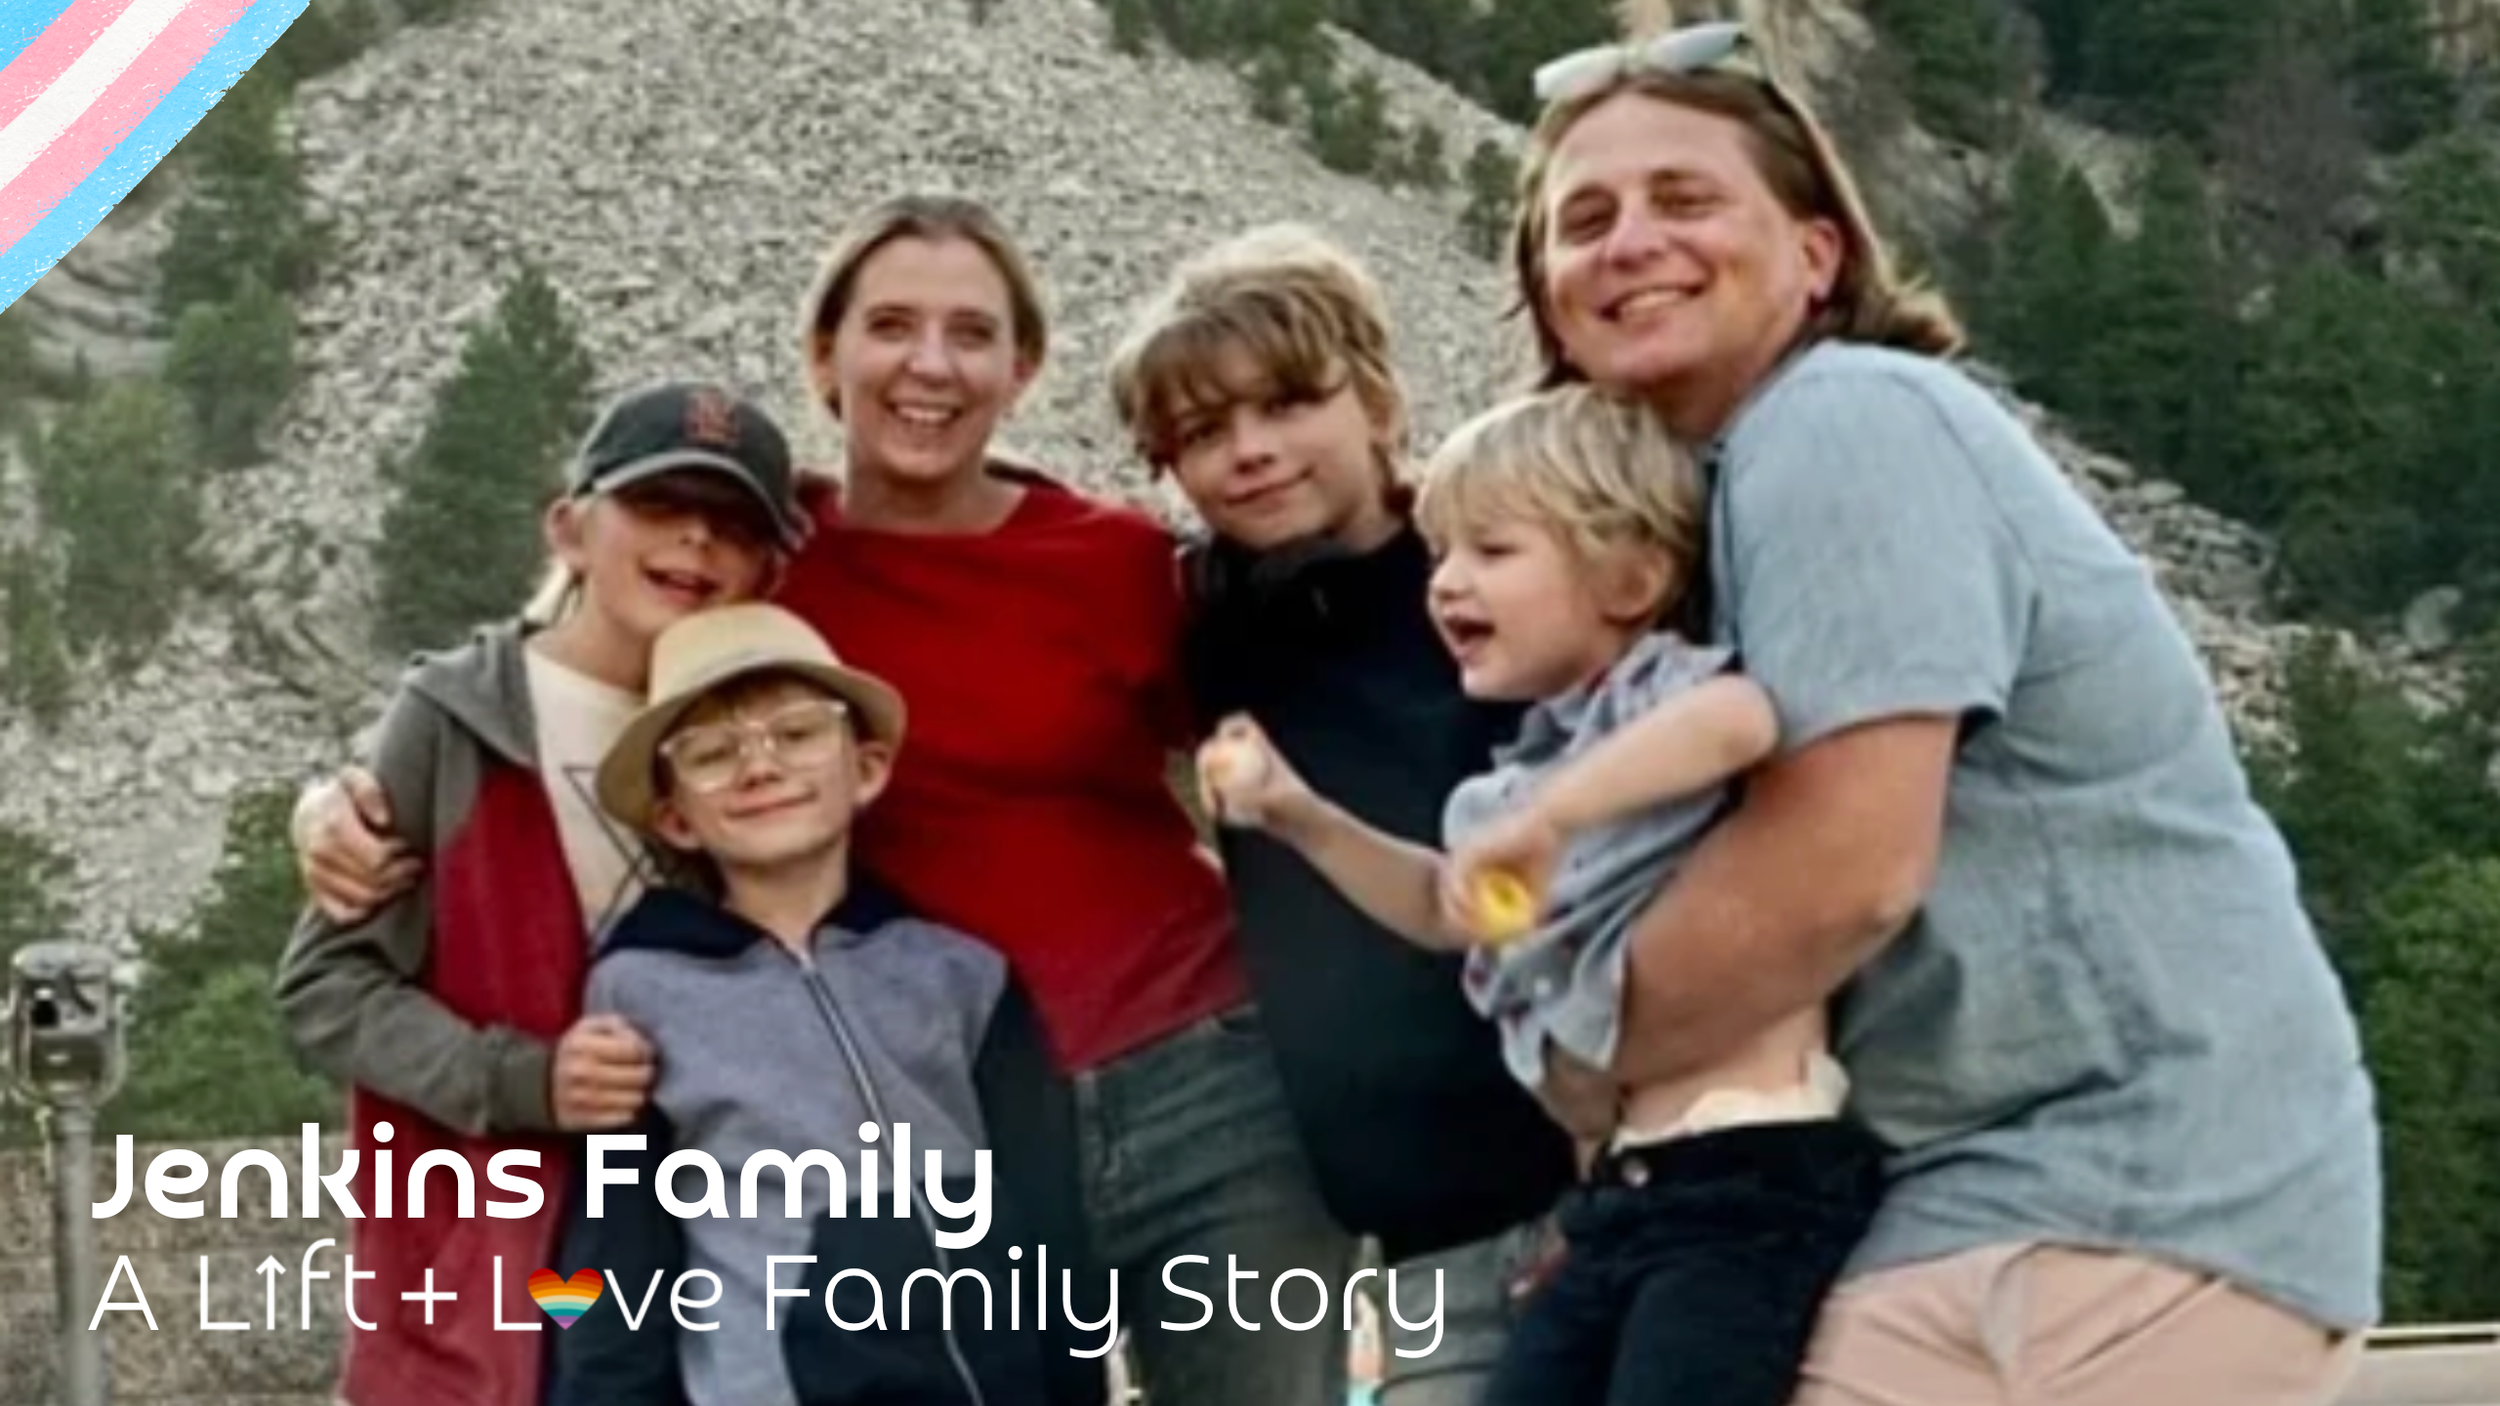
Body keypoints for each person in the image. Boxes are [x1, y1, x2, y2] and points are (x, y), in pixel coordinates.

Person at [292, 194, 1345, 1406]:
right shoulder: (763, 566)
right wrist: (338, 797)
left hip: (1192, 1077)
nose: (929, 364)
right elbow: (562, 657)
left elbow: (1280, 744)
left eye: (970, 331)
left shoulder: (1111, 560)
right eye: (891, 324)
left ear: (1022, 368)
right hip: (930, 1113)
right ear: (823, 357)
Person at [1507, 17, 2379, 1404]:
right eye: (1584, 218)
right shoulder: (1712, 512)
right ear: (1548, 294)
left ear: (1817, 254)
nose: (1627, 242)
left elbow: (1839, 870)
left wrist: (1579, 1055)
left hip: (2102, 1201)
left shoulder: (1844, 421)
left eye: (1686, 200)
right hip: (2015, 1197)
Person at [1198, 384, 1887, 1406]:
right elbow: (1446, 906)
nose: (1447, 583)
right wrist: (1298, 812)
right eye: (1439, 555)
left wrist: (1557, 817)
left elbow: (1738, 719)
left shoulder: (1659, 700)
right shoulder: (1515, 778)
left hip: (1747, 1174)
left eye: (1492, 550)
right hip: (1617, 1196)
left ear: (1631, 575)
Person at [1105, 225, 1574, 1405]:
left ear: (1375, 398)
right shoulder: (1216, 621)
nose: (1250, 452)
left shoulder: (1503, 585)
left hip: (1576, 1187)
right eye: (1204, 433)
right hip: (1416, 1246)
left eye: (1286, 403)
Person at [271, 382, 808, 1406]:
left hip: (720, 1260)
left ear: (768, 570)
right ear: (568, 526)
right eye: (659, 503)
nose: (696, 537)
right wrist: (524, 1078)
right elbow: (325, 985)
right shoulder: (457, 717)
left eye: (734, 522)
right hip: (492, 1267)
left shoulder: (776, 732)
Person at [550, 602, 1043, 1406]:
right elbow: (620, 1244)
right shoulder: (638, 993)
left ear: (869, 767)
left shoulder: (962, 976)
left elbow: (1043, 1208)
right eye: (711, 753)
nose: (760, 767)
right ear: (676, 817)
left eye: (800, 733)